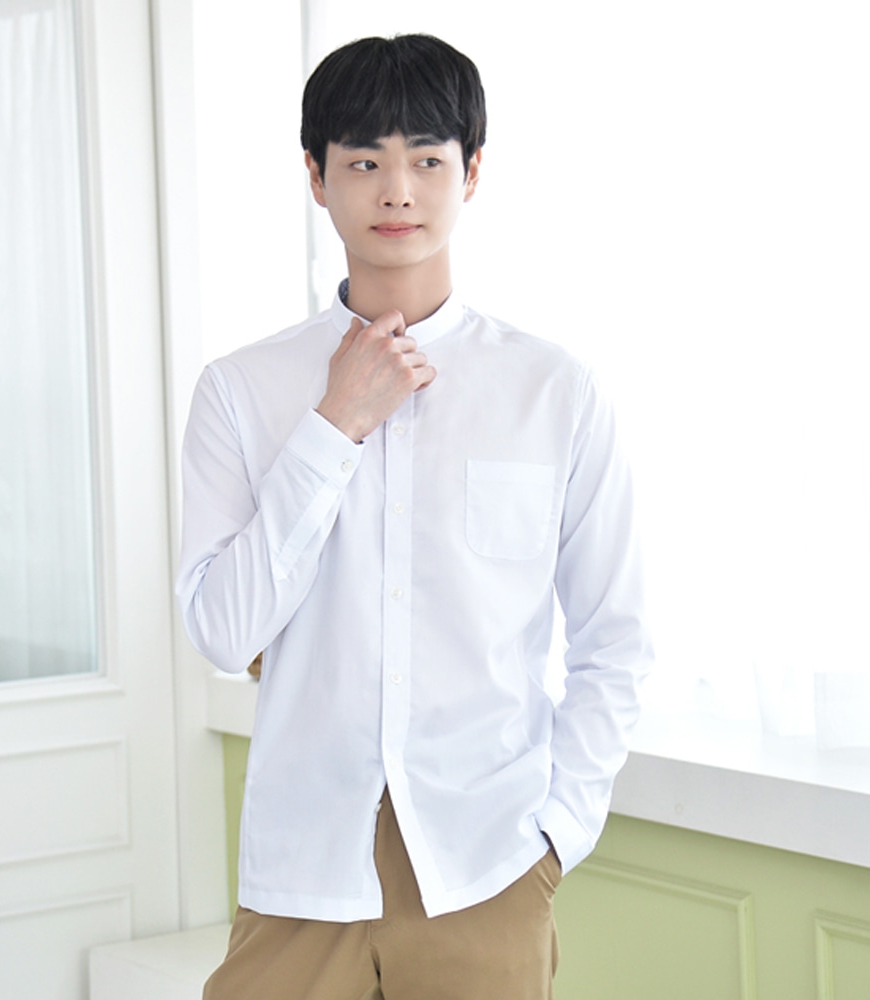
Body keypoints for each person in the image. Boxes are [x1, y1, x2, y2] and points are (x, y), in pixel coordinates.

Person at [177, 33, 651, 1000]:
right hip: (303, 870)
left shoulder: (553, 391)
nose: (397, 191)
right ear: (316, 177)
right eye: (364, 162)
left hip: (486, 867)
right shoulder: (242, 390)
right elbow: (224, 631)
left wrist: (558, 832)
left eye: (427, 160)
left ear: (471, 173)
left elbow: (616, 637)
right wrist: (333, 425)